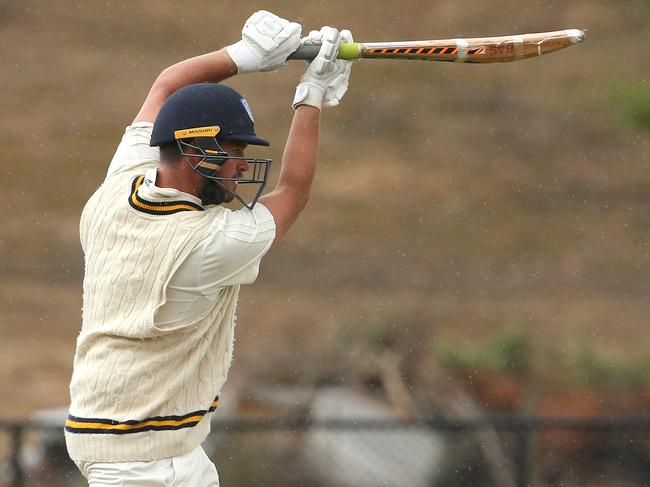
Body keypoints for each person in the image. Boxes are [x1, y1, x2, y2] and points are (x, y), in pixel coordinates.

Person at [64, 10, 353, 486]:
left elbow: (165, 87)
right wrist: (312, 97)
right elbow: (294, 193)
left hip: (156, 447)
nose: (242, 167)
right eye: (235, 152)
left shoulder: (119, 188)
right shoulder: (207, 244)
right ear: (197, 152)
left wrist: (244, 56)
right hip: (141, 462)